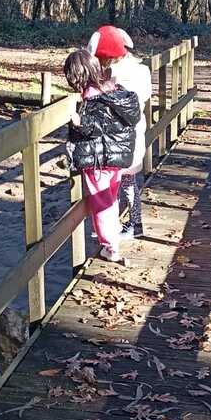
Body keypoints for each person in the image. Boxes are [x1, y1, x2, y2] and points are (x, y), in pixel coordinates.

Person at [63, 48, 140, 262]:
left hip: (100, 159)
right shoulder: (113, 90)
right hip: (117, 157)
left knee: (100, 203)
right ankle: (112, 238)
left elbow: (97, 127)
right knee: (110, 198)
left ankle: (110, 247)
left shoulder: (93, 97)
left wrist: (79, 122)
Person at [87, 25, 152, 238]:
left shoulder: (114, 78)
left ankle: (121, 225)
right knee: (127, 181)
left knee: (116, 184)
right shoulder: (141, 70)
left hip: (118, 139)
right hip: (133, 135)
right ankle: (131, 224)